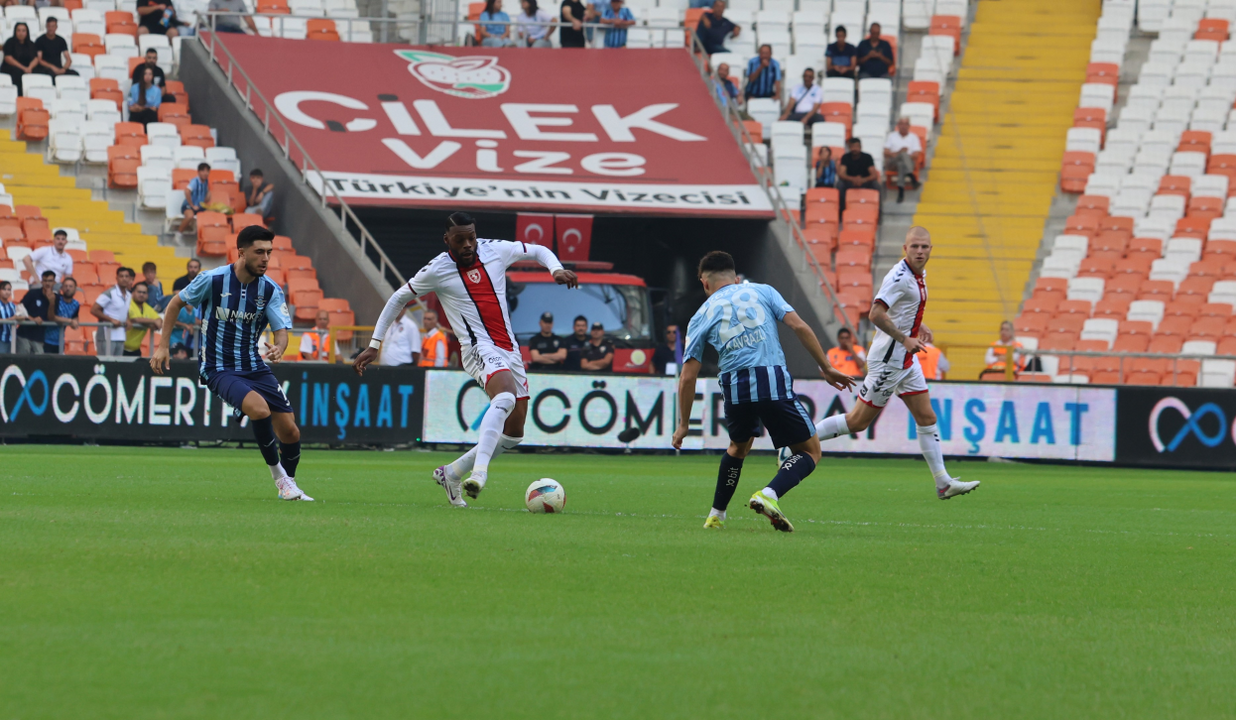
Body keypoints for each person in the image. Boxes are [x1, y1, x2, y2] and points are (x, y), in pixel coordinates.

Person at [354, 212, 578, 506]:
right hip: (476, 348)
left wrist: (555, 269)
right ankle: (480, 474)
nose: (468, 244)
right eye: (460, 240)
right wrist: (374, 344)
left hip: (509, 349)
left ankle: (452, 472)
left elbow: (536, 250)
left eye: (471, 237)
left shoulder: (494, 250)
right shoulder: (437, 269)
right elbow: (398, 298)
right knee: (506, 397)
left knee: (514, 434)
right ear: (447, 240)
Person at [672, 251, 855, 532]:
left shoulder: (700, 315)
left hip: (734, 387)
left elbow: (687, 377)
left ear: (704, 283)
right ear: (736, 278)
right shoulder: (762, 291)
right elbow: (799, 326)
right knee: (810, 450)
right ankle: (769, 494)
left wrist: (683, 424)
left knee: (738, 447)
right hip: (770, 379)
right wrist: (826, 367)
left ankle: (716, 515)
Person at [810, 227, 980, 500]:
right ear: (905, 248)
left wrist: (916, 324)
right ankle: (797, 442)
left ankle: (943, 482)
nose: (920, 251)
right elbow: (875, 313)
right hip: (889, 360)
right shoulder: (900, 277)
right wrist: (905, 337)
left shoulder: (918, 274)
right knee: (857, 422)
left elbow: (901, 308)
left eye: (925, 247)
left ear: (931, 249)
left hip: (905, 360)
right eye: (915, 247)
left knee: (927, 418)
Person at [152, 225, 312, 501]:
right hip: (218, 367)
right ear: (241, 252)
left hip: (254, 366)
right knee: (259, 410)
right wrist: (162, 345)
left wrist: (280, 348)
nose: (265, 258)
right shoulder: (212, 280)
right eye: (259, 252)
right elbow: (176, 303)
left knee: (290, 430)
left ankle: (290, 482)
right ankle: (280, 480)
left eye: (269, 253)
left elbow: (281, 330)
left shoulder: (270, 290)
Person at [91, 266, 134, 357]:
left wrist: (128, 319)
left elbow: (124, 310)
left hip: (121, 335)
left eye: (126, 276)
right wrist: (111, 319)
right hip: (107, 334)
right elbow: (94, 310)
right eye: (121, 276)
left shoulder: (129, 295)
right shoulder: (110, 293)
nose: (124, 279)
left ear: (130, 278)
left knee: (117, 365)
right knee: (106, 363)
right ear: (117, 278)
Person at [16, 270, 56, 354]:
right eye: (45, 280)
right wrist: (32, 319)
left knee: (39, 360)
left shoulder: (57, 298)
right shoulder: (33, 293)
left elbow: (52, 318)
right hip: (24, 333)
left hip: (39, 337)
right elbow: (20, 308)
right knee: (23, 358)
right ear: (41, 281)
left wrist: (52, 302)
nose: (47, 283)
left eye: (50, 281)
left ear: (54, 282)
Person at [885, 116, 922, 202]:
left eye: (906, 124)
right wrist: (899, 153)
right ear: (898, 125)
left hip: (907, 162)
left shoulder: (914, 137)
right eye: (901, 124)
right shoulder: (892, 136)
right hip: (893, 162)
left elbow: (916, 155)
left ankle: (901, 192)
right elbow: (886, 152)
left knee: (901, 164)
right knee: (903, 154)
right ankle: (911, 177)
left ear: (909, 126)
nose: (903, 126)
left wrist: (904, 155)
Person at [837, 137, 880, 210]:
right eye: (852, 147)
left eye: (856, 146)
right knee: (840, 184)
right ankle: (842, 211)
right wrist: (853, 179)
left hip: (865, 182)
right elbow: (841, 174)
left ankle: (878, 212)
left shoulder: (867, 157)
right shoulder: (845, 157)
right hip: (850, 182)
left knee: (876, 185)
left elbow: (874, 175)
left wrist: (863, 180)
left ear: (860, 147)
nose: (854, 149)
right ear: (849, 148)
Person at [42, 275, 79, 354]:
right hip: (46, 340)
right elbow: (51, 317)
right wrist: (69, 320)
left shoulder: (76, 304)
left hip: (60, 341)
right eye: (65, 286)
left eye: (70, 286)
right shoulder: (56, 299)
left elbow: (75, 318)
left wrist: (74, 322)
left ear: (75, 289)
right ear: (62, 288)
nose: (68, 288)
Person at [124, 281, 161, 357]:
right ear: (133, 293)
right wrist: (153, 321)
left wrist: (155, 323)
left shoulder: (147, 307)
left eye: (144, 293)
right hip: (121, 348)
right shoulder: (128, 303)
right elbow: (135, 319)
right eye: (139, 292)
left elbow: (159, 320)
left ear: (147, 295)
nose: (141, 294)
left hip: (136, 350)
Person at [2, 23, 38, 95]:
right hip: (11, 68)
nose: (21, 33)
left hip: (27, 68)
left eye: (23, 31)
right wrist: (23, 68)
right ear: (15, 32)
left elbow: (36, 58)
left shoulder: (31, 44)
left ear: (27, 32)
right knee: (17, 72)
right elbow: (8, 58)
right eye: (19, 30)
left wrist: (29, 68)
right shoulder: (10, 42)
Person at [179, 163, 211, 234]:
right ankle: (178, 234)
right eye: (203, 171)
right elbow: (187, 191)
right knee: (190, 216)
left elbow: (206, 194)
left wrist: (208, 195)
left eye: (207, 171)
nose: (205, 173)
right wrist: (192, 205)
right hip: (188, 206)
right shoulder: (195, 181)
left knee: (211, 214)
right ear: (199, 172)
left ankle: (205, 236)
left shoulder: (206, 181)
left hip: (199, 207)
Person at [0, 281, 22, 352]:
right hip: (1, 339)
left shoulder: (12, 305)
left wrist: (18, 317)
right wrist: (11, 319)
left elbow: (22, 316)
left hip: (12, 339)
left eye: (9, 289)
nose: (7, 292)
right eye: (4, 289)